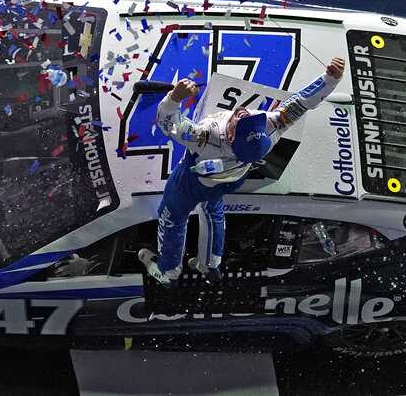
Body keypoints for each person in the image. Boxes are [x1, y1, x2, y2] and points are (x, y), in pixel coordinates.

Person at [138, 57, 346, 288]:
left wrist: (173, 98)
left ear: (229, 137)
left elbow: (170, 126)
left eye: (240, 121)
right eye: (248, 119)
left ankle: (168, 271)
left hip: (193, 180)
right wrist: (330, 80)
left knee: (172, 217)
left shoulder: (205, 137)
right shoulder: (269, 127)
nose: (244, 113)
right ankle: (210, 265)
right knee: (212, 208)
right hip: (231, 179)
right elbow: (301, 102)